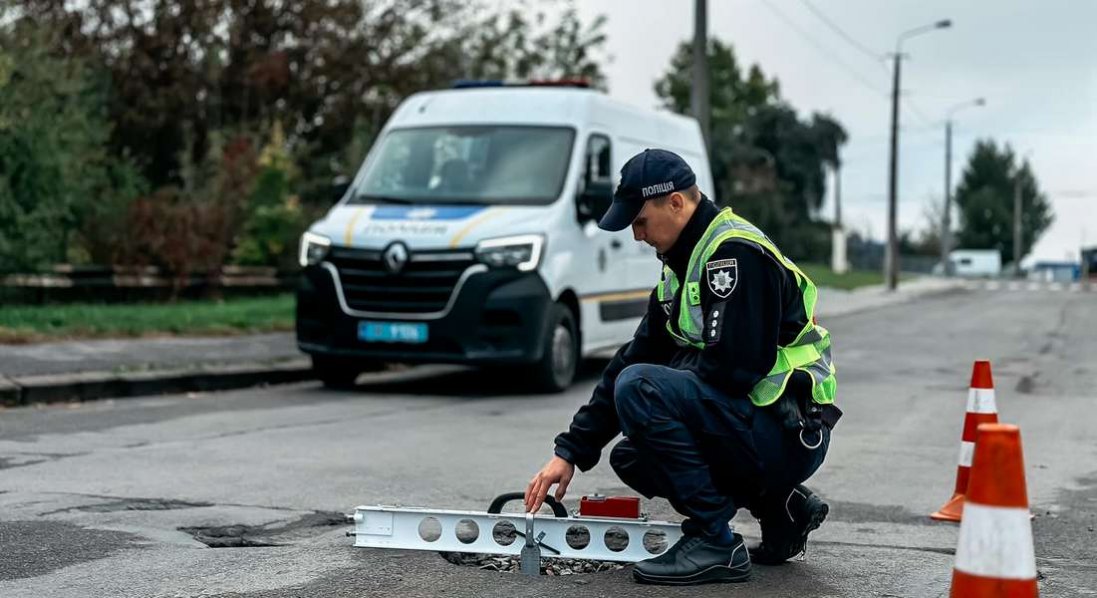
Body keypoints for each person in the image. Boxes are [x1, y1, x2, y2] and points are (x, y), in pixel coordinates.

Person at [523, 149, 842, 586]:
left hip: (789, 431)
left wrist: (667, 370)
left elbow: (736, 369)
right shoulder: (681, 267)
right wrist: (570, 452)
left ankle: (715, 543)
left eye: (640, 222)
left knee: (642, 389)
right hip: (757, 426)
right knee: (633, 456)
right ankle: (783, 510)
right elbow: (633, 357)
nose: (637, 236)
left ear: (675, 203)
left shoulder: (732, 256)